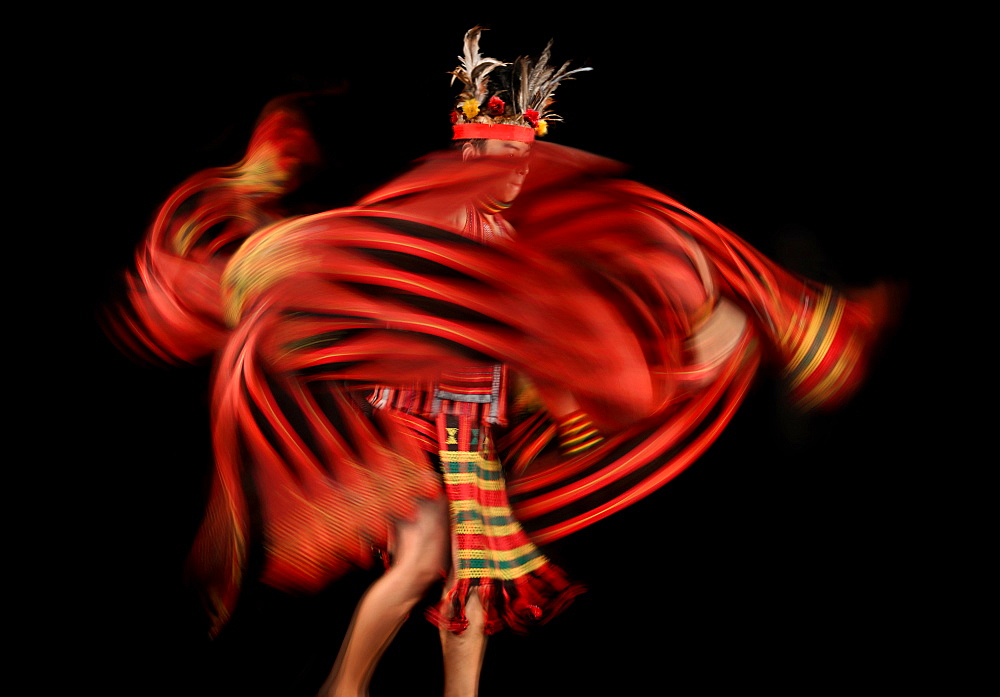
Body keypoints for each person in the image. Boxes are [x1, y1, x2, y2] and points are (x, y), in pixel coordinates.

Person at [107, 27, 896, 697]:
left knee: (445, 579)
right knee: (446, 576)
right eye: (496, 152)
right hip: (434, 429)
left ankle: (349, 686)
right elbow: (431, 310)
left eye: (521, 156)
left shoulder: (503, 234)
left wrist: (569, 386)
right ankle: (345, 686)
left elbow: (524, 327)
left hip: (461, 430)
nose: (513, 170)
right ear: (470, 149)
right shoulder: (441, 222)